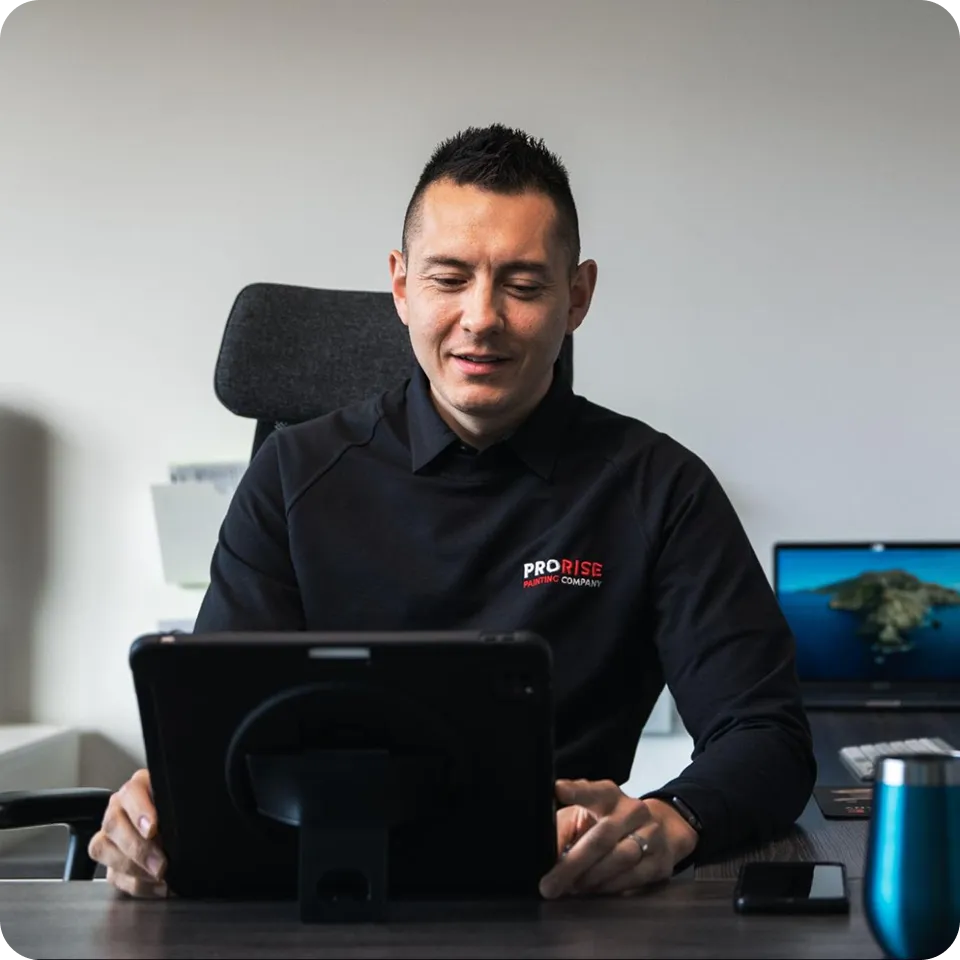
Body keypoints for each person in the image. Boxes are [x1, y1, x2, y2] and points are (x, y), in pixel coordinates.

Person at [88, 123, 816, 901]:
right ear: (402, 286)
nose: (481, 317)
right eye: (449, 278)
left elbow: (767, 735)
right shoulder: (291, 475)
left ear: (578, 296)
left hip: (555, 898)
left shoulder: (659, 487)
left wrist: (669, 823)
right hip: (312, 900)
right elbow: (214, 744)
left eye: (524, 285)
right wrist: (156, 817)